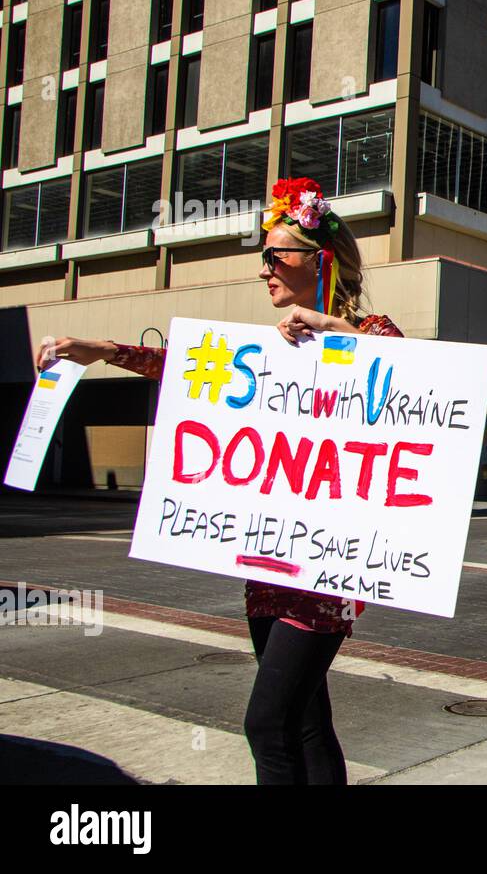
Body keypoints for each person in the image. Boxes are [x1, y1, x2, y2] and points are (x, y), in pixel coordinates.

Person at [37, 177, 403, 784]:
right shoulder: (274, 349)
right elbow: (180, 364)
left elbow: (413, 377)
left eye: (275, 256)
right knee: (305, 722)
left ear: (322, 262)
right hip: (265, 564)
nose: (264, 271)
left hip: (327, 567)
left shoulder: (372, 334)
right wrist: (100, 350)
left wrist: (330, 328)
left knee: (266, 724)